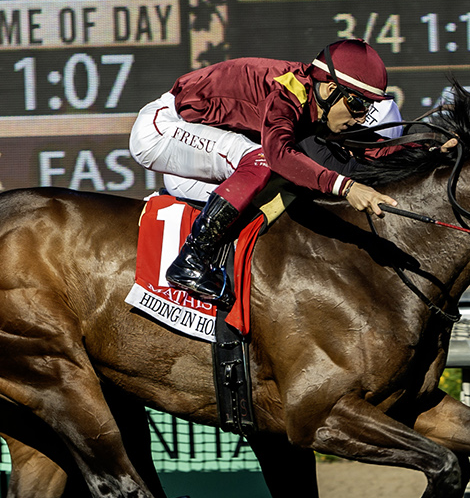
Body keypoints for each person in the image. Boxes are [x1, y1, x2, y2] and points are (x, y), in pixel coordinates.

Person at [128, 38, 401, 304]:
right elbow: (278, 153)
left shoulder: (314, 98)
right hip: (160, 131)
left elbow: (370, 150)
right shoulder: (288, 91)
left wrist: (433, 149)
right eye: (357, 105)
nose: (362, 117)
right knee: (261, 160)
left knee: (276, 184)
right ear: (330, 89)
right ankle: (191, 260)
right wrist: (346, 187)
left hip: (190, 153)